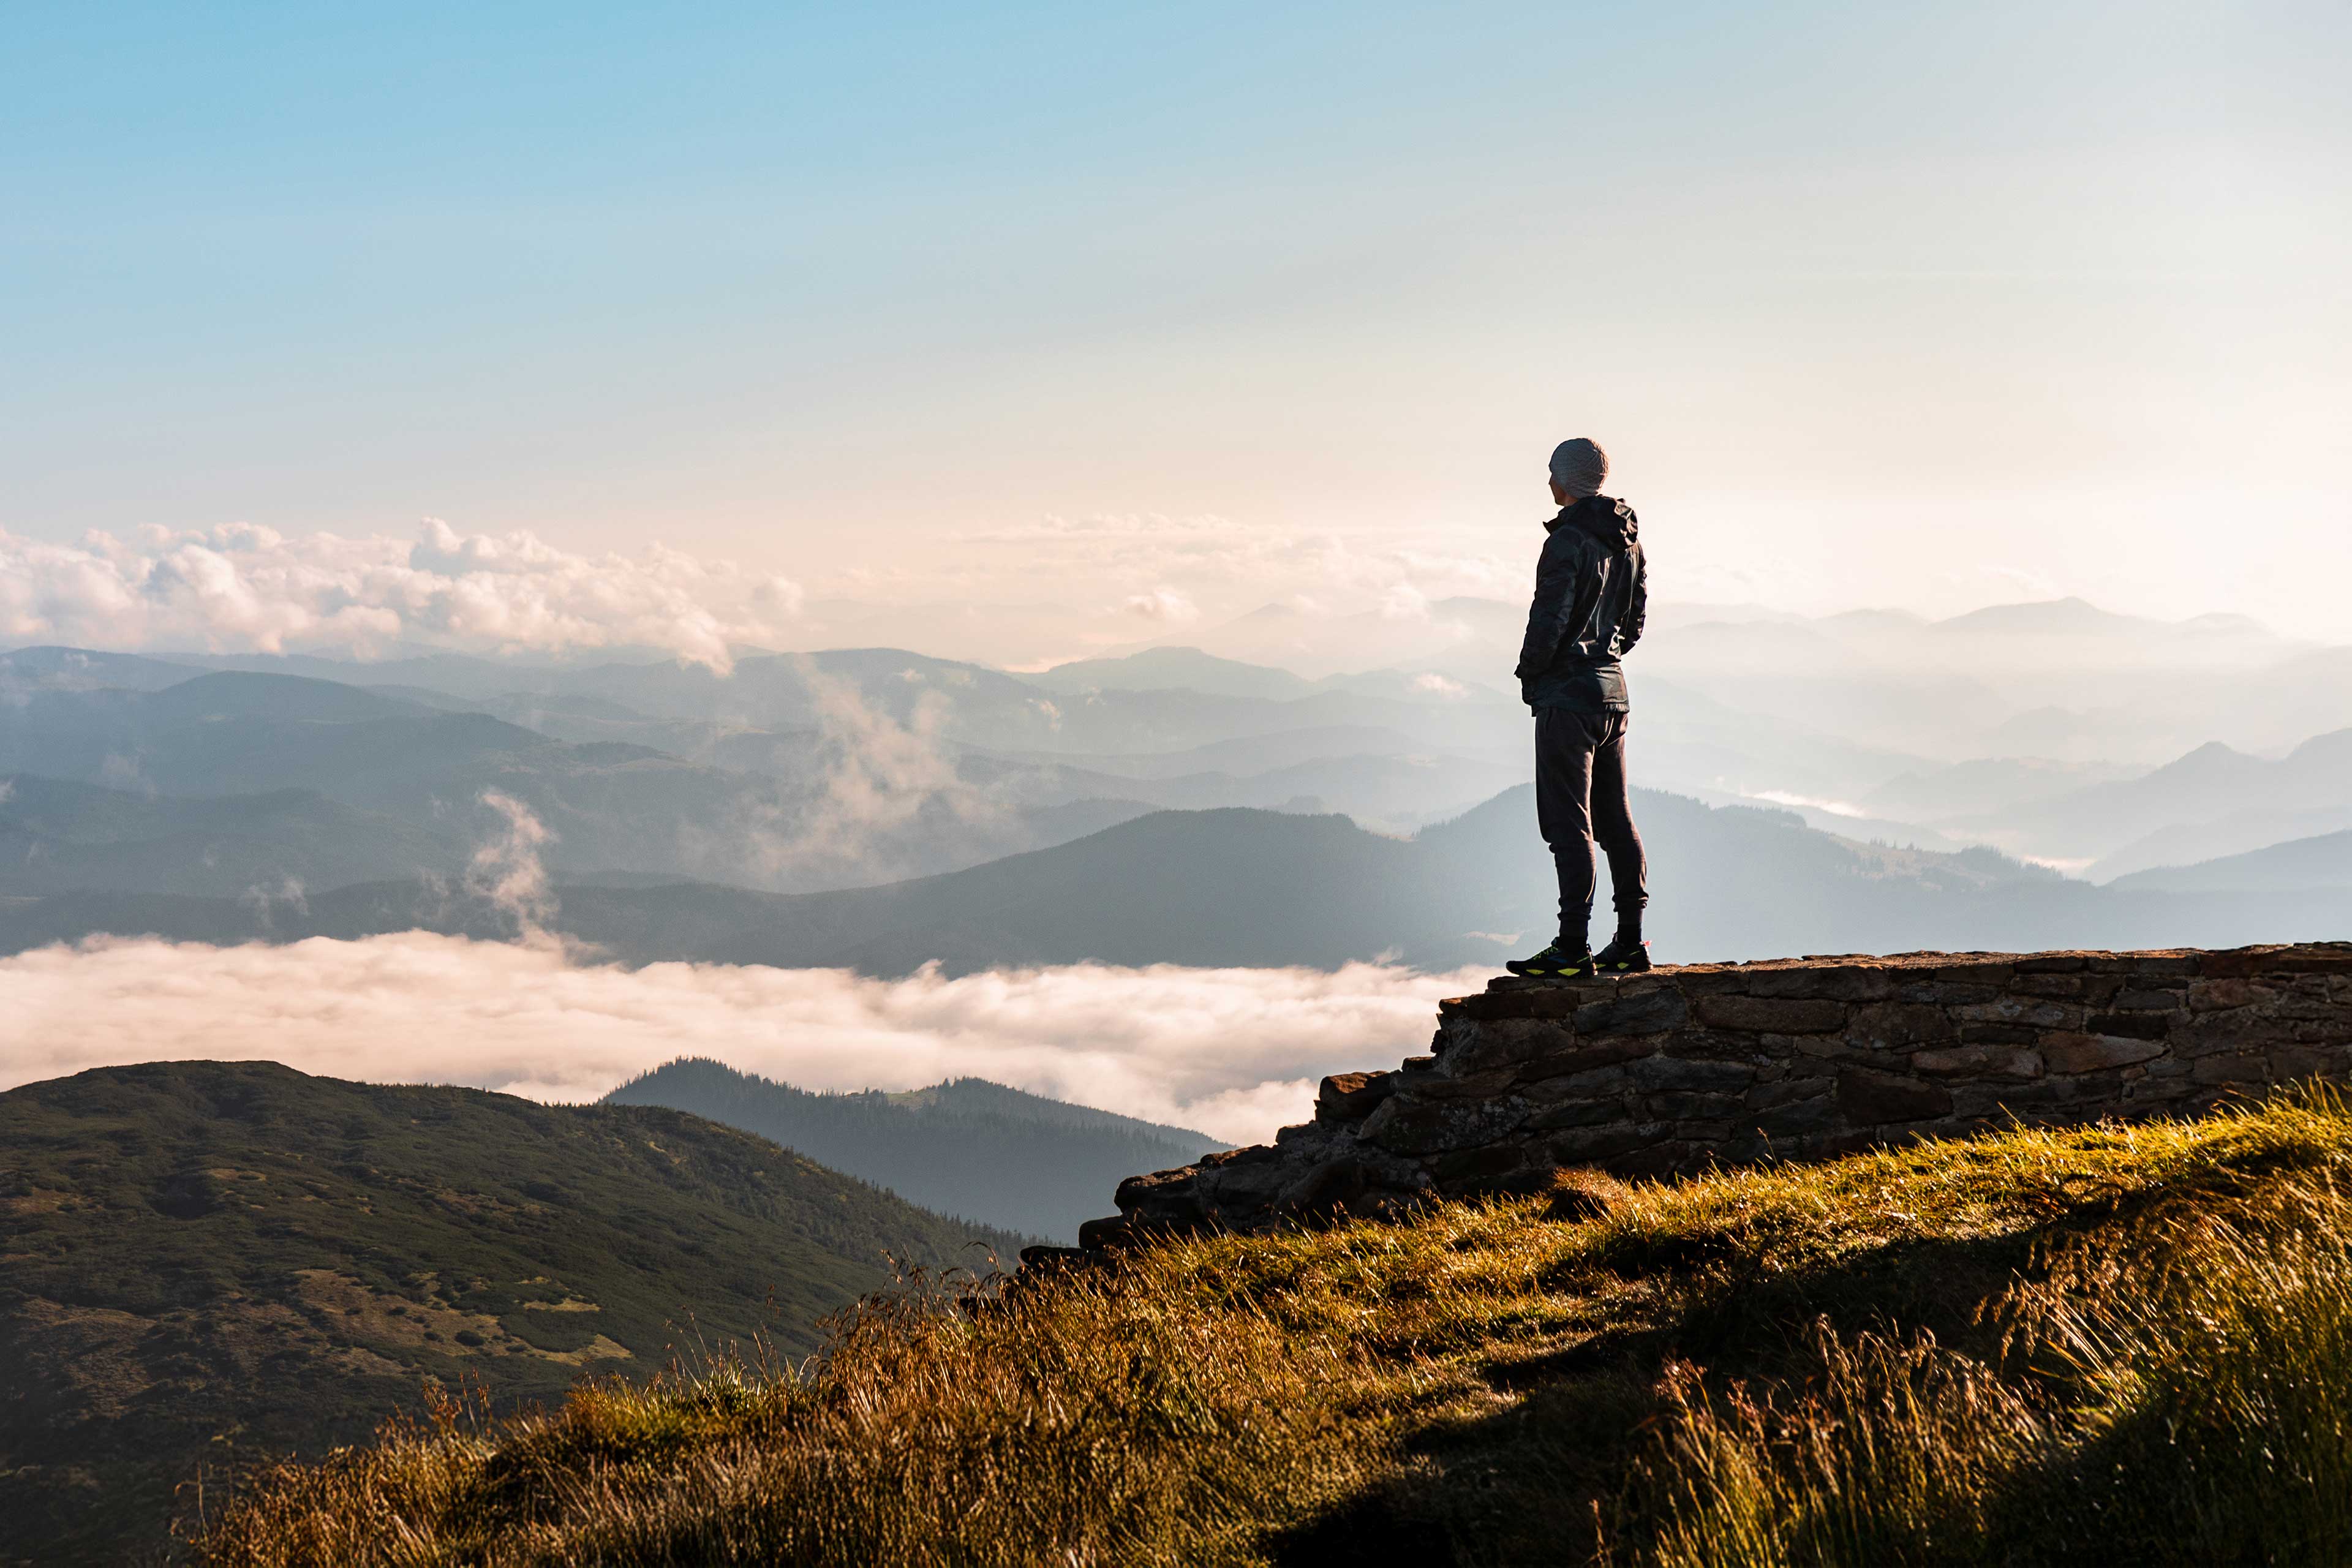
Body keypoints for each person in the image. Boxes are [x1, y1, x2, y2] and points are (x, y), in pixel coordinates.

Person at [1505, 437, 1650, 979]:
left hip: (1567, 698)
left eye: (1552, 474)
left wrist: (1533, 675)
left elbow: (1550, 617)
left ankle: (1572, 947)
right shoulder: (1628, 541)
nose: (1548, 483)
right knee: (1616, 819)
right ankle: (1630, 942)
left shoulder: (1567, 540)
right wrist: (1603, 661)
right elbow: (1633, 624)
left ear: (1567, 480)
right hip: (1613, 695)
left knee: (1569, 825)